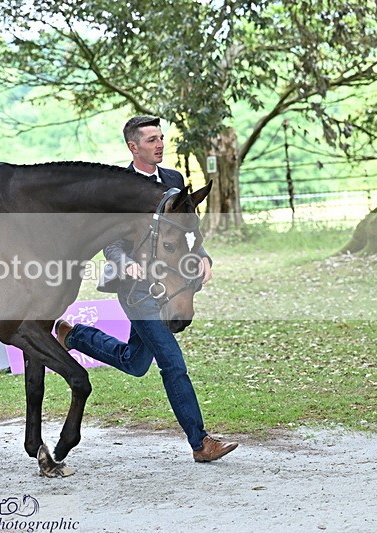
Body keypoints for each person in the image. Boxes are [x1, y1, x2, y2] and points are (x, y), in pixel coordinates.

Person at [55, 115, 238, 463]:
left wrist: (202, 256)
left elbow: (187, 233)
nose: (159, 144)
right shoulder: (119, 186)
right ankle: (201, 443)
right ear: (133, 146)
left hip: (169, 284)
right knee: (172, 362)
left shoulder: (173, 181)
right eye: (151, 139)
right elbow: (110, 240)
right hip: (136, 288)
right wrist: (123, 260)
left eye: (161, 137)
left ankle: (74, 336)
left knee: (136, 362)